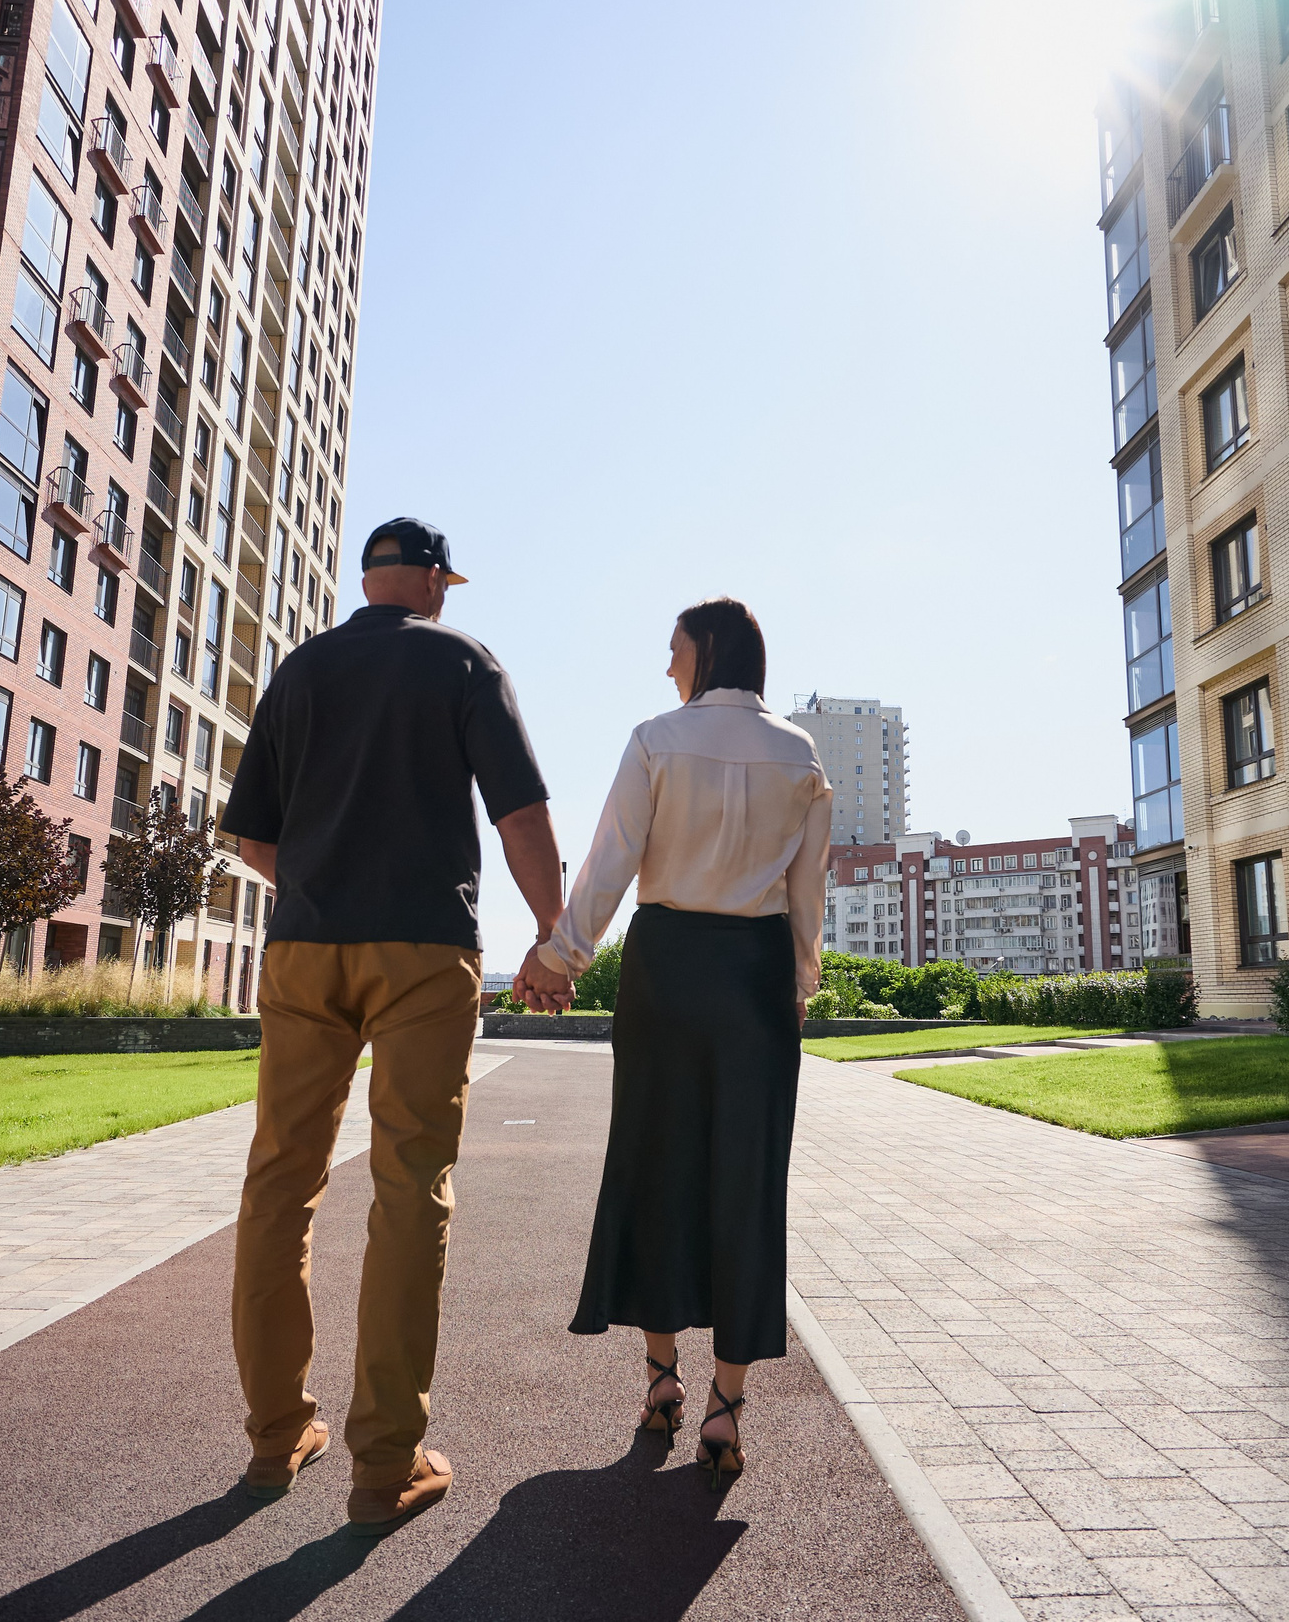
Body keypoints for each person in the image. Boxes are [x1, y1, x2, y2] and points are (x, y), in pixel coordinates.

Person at [218, 516, 565, 1535]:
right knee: (412, 1185)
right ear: (423, 579)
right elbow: (520, 814)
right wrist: (552, 933)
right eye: (443, 581)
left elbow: (251, 834)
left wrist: (325, 884)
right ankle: (384, 1466)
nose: (446, 596)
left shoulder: (302, 666)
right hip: (421, 948)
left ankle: (276, 1436)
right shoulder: (462, 660)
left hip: (304, 947)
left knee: (281, 1178)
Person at [517, 597, 831, 1489]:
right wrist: (797, 986)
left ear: (708, 650)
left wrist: (561, 956)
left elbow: (611, 859)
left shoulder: (656, 738)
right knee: (748, 1178)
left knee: (654, 1164)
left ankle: (662, 1382)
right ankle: (726, 1410)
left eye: (674, 649)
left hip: (666, 971)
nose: (666, 666)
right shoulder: (802, 755)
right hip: (757, 978)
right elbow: (807, 895)